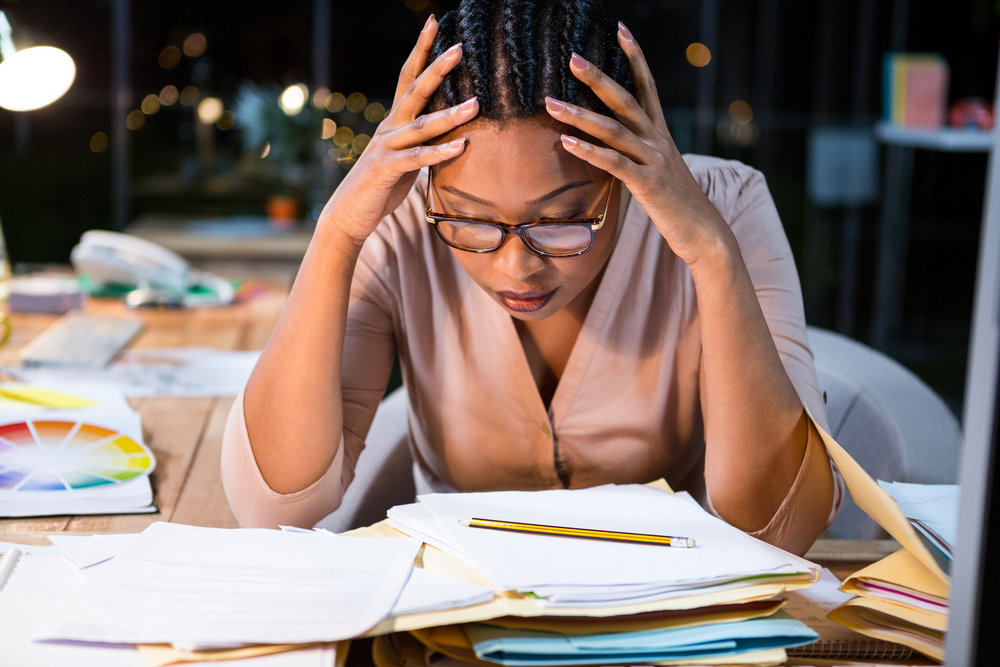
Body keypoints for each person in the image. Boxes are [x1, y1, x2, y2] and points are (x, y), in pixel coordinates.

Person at [222, 0, 842, 556]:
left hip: (658, 622)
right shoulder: (401, 217)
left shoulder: (725, 209)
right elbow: (272, 506)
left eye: (565, 218)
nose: (517, 266)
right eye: (467, 219)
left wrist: (710, 254)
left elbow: (783, 529)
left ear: (623, 167)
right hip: (453, 627)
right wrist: (337, 235)